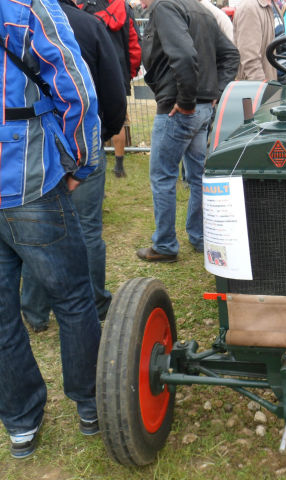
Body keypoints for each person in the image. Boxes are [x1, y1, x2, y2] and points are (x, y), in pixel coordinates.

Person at [0, 0, 102, 458]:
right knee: (75, 298)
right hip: (29, 178)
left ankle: (21, 423)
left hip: (24, 173)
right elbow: (75, 86)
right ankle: (92, 404)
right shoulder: (26, 8)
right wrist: (81, 159)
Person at [20, 0, 128, 332]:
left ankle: (35, 312)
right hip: (80, 138)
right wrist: (106, 132)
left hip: (36, 143)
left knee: (38, 232)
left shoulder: (20, 22)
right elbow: (113, 89)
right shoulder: (88, 24)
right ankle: (94, 305)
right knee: (87, 231)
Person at [136, 0, 239, 262]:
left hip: (182, 108)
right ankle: (200, 236)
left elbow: (185, 54)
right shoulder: (200, 9)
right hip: (198, 107)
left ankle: (165, 245)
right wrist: (212, 93)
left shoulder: (167, 7)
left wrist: (186, 101)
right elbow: (229, 54)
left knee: (163, 177)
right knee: (197, 177)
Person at [78, 0, 142, 178]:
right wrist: (131, 71)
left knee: (92, 118)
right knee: (119, 118)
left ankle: (95, 168)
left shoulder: (84, 7)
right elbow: (134, 44)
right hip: (118, 72)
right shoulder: (124, 8)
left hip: (92, 73)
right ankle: (119, 166)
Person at [233, 0, 277, 81]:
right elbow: (249, 58)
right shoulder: (249, 7)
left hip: (277, 83)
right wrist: (263, 88)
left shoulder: (273, 5)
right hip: (262, 87)